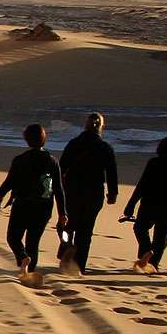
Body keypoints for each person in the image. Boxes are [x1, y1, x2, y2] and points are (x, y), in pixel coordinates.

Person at [0, 123, 67, 280]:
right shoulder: (52, 161)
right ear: (44, 139)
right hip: (43, 207)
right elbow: (58, 189)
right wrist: (62, 213)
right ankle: (29, 274)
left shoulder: (20, 160)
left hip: (22, 205)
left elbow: (9, 182)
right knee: (33, 242)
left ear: (27, 139)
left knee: (13, 238)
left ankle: (23, 258)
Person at [122, 134, 167, 272]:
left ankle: (146, 251)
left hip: (150, 201)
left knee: (140, 228)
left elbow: (141, 185)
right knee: (162, 235)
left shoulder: (154, 162)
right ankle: (153, 264)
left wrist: (131, 204)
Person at [59, 112, 118, 274]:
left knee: (69, 225)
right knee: (86, 231)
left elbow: (62, 167)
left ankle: (66, 246)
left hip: (72, 191)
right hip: (94, 194)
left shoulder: (74, 143)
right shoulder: (105, 147)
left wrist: (59, 188)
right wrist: (112, 194)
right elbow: (111, 173)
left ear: (85, 125)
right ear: (101, 127)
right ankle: (79, 265)